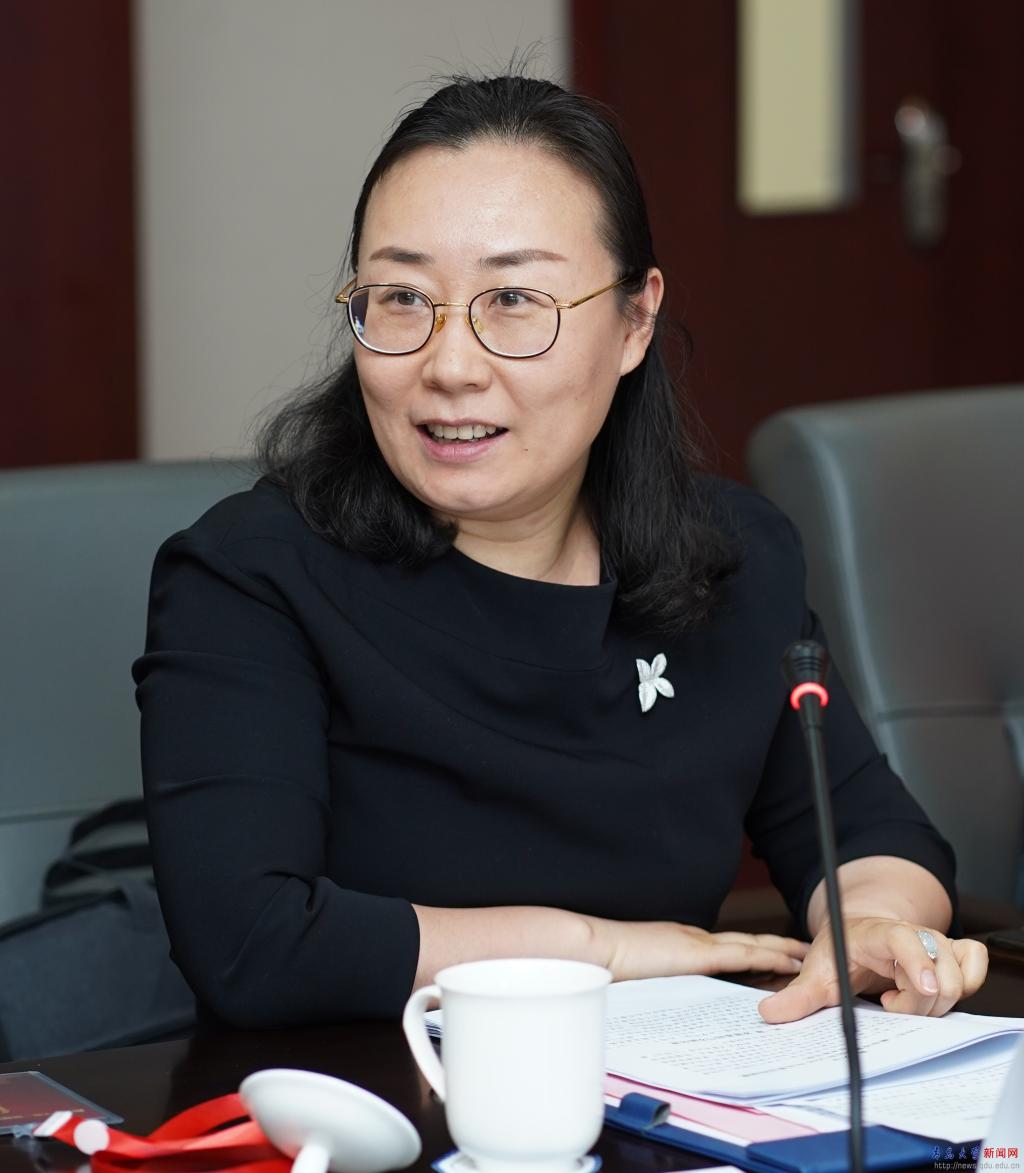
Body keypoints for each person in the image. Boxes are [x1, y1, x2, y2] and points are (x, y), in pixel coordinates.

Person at [133, 74, 987, 1030]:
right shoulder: (252, 575)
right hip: (368, 1093)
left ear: (634, 322)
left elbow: (869, 831)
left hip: (656, 1091)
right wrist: (600, 949)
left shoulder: (728, 560)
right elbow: (253, 944)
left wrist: (873, 923)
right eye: (402, 297)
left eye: (513, 299)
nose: (450, 366)